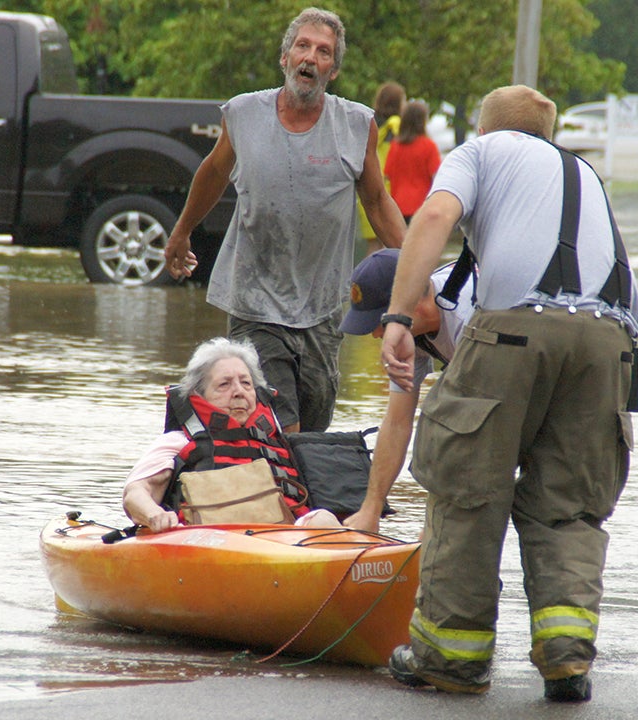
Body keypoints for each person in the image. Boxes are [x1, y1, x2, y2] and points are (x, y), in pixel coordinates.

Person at [379, 85, 638, 702]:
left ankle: (450, 657)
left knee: (468, 487)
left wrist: (396, 314)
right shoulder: (583, 173)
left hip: (516, 327)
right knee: (570, 505)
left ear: (484, 125)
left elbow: (436, 218)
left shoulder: (480, 151)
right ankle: (567, 660)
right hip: (612, 342)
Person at [162, 8, 405, 435]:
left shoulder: (356, 125)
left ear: (333, 70)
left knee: (312, 428)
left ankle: (301, 499)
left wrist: (415, 275)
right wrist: (181, 232)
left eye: (323, 51)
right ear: (285, 58)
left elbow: (377, 200)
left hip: (323, 305)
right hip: (255, 297)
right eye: (303, 46)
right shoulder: (242, 114)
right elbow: (214, 173)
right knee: (278, 424)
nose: (310, 57)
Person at [122, 337, 338, 532]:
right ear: (200, 395)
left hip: (286, 539)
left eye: (246, 383)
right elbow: (136, 492)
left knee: (324, 519)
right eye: (224, 384)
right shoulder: (178, 441)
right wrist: (155, 515)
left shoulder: (281, 443)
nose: (238, 392)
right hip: (207, 539)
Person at [337, 248, 474, 534]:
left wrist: (437, 525)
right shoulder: (410, 332)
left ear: (409, 304)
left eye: (378, 322)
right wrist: (370, 509)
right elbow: (397, 423)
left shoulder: (469, 318)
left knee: (445, 420)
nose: (376, 335)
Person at [359, 82, 406, 255]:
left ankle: (366, 281)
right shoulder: (395, 124)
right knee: (391, 245)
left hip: (367, 184)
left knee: (372, 246)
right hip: (388, 187)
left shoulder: (369, 122)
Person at [383, 100, 442, 224]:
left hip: (397, 206)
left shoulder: (395, 146)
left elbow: (387, 174)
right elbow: (437, 176)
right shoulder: (428, 146)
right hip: (422, 205)